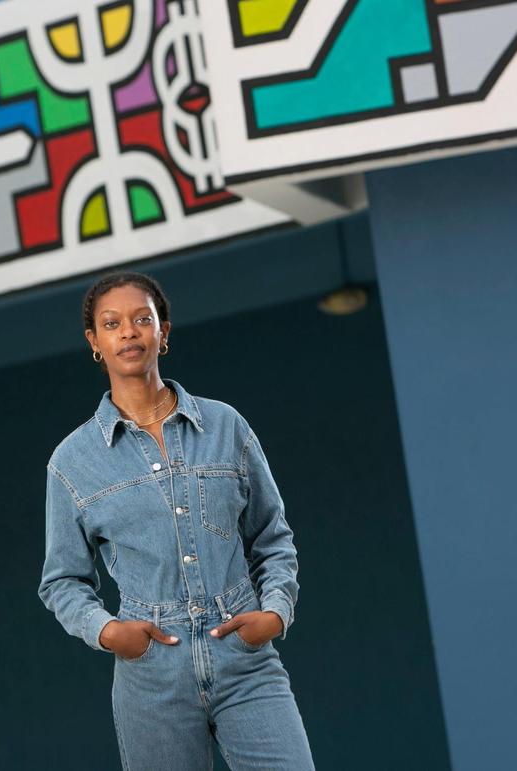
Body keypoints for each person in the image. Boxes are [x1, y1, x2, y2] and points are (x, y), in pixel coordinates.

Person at [38, 270, 315, 770]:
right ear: (94, 342)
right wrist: (108, 631)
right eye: (113, 323)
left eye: (143, 319)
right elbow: (62, 581)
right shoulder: (72, 462)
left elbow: (272, 538)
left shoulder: (225, 426)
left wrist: (275, 612)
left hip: (245, 660)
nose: (129, 332)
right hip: (152, 678)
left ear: (164, 331)